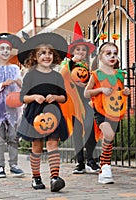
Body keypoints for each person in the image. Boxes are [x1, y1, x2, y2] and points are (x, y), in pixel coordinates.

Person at [17, 32, 69, 192]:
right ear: (35, 57)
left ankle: (54, 177)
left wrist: (55, 97)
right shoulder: (30, 75)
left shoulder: (57, 76)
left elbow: (64, 97)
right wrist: (34, 97)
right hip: (35, 113)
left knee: (53, 143)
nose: (47, 56)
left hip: (53, 113)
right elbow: (22, 97)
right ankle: (36, 177)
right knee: (37, 146)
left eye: (49, 53)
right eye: (42, 53)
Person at [84, 41, 131, 184]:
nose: (112, 56)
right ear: (100, 57)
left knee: (110, 137)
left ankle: (105, 166)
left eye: (115, 54)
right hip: (100, 110)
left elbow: (119, 91)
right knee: (108, 134)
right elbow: (87, 93)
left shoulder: (120, 74)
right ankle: (105, 166)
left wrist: (126, 91)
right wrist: (100, 90)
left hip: (115, 110)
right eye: (108, 53)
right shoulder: (96, 74)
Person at [59, 21, 100, 174]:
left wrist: (88, 86)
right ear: (73, 51)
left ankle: (91, 160)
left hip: (87, 101)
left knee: (90, 128)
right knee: (77, 131)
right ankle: (80, 163)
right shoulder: (67, 64)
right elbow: (61, 76)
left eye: (83, 50)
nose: (81, 52)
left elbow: (95, 81)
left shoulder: (89, 67)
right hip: (74, 103)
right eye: (78, 49)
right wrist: (71, 62)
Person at [0, 33, 25, 178]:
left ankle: (14, 165)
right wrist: (3, 84)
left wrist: (20, 84)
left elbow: (20, 87)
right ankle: (0, 166)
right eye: (2, 48)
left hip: (12, 107)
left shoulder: (15, 68)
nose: (5, 51)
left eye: (8, 49)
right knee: (0, 139)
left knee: (13, 137)